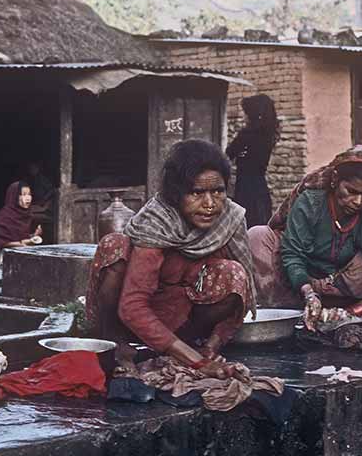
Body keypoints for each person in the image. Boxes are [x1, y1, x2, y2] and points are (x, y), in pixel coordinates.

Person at [86, 139, 256, 378]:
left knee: (233, 273)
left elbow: (241, 295)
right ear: (177, 194)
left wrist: (210, 349)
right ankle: (117, 346)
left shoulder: (231, 218)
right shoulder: (157, 222)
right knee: (114, 246)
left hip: (185, 321)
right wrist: (198, 364)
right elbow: (132, 306)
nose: (209, 204)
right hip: (134, 320)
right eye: (197, 193)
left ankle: (190, 346)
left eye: (218, 191)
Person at [248, 145, 362, 330]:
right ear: (334, 180)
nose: (358, 202)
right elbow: (293, 254)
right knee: (258, 237)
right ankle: (290, 309)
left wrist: (355, 311)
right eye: (351, 191)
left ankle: (335, 311)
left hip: (341, 289)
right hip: (299, 285)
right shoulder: (311, 203)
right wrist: (308, 293)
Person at [225, 94, 279, 228]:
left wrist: (241, 155)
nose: (244, 117)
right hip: (260, 186)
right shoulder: (268, 134)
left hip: (246, 186)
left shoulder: (247, 134)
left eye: (246, 113)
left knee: (246, 223)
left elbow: (229, 153)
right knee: (260, 222)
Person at [0, 181, 43, 260]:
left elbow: (20, 237)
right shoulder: (5, 215)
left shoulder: (27, 215)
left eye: (29, 194)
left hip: (22, 256)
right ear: (14, 197)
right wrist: (19, 244)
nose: (28, 198)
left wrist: (34, 236)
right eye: (23, 194)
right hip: (5, 258)